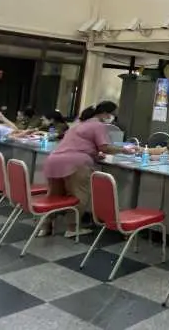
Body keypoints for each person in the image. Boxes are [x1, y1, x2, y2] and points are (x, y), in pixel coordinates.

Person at [41, 101, 130, 237]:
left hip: (54, 160)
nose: (112, 117)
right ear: (105, 113)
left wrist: (94, 154)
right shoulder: (98, 125)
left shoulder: (78, 124)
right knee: (79, 196)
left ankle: (45, 226)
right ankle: (72, 228)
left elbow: (79, 144)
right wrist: (124, 150)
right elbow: (104, 147)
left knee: (54, 195)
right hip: (75, 163)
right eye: (112, 114)